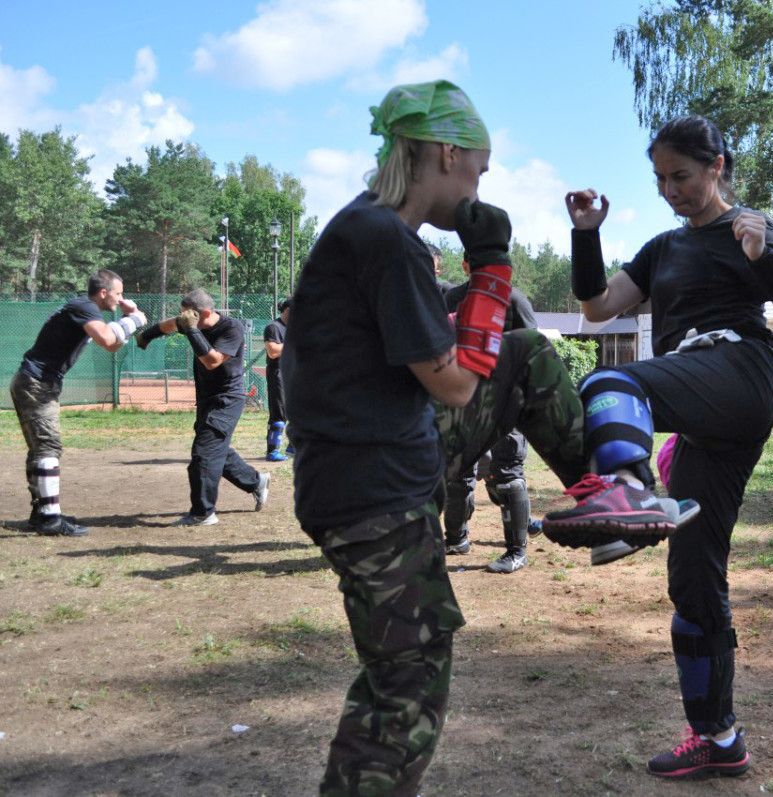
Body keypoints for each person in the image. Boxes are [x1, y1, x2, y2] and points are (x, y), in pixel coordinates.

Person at [280, 80, 687, 797]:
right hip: (370, 489)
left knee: (526, 353)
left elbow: (456, 361)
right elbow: (459, 383)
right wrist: (492, 268)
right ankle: (610, 488)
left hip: (383, 462)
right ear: (445, 153)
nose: (480, 184)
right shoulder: (382, 239)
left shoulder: (371, 232)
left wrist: (484, 283)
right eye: (480, 168)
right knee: (404, 683)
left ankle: (609, 490)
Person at [549, 113, 773, 778]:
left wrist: (768, 256)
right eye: (661, 179)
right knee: (694, 574)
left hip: (739, 374)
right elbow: (597, 306)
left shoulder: (748, 228)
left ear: (717, 165)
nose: (672, 190)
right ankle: (718, 735)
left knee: (611, 383)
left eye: (684, 176)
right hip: (703, 411)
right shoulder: (663, 249)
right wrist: (588, 235)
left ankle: (631, 492)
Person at [10, 269, 146, 536]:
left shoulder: (84, 310)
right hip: (37, 383)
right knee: (48, 446)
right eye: (118, 294)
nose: (120, 299)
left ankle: (42, 513)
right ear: (103, 292)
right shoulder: (84, 306)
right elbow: (108, 339)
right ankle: (49, 519)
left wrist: (130, 319)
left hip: (35, 381)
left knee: (40, 448)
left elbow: (112, 344)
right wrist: (137, 319)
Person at [440, 256, 541, 572]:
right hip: (464, 400)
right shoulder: (452, 298)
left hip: (507, 401)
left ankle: (516, 551)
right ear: (467, 265)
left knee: (508, 473)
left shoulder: (514, 299)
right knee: (457, 472)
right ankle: (456, 539)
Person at [136, 289, 269, 526]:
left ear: (204, 312)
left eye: (188, 316)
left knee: (203, 455)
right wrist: (146, 336)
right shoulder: (191, 321)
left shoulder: (231, 328)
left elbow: (212, 361)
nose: (184, 319)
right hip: (207, 398)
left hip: (227, 399)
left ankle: (203, 513)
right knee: (216, 448)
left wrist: (192, 329)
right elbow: (168, 325)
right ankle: (256, 481)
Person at [263, 298, 291, 461]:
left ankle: (293, 447)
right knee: (279, 413)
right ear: (287, 310)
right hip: (278, 374)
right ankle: (272, 450)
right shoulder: (274, 327)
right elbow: (273, 351)